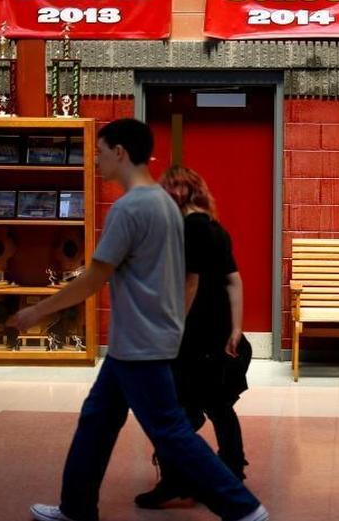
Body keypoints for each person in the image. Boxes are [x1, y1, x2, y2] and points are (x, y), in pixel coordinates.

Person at [12, 118, 268, 521]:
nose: (95, 161)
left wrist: (37, 311)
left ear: (120, 152)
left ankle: (244, 509)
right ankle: (76, 507)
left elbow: (96, 277)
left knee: (172, 431)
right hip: (140, 340)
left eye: (98, 152)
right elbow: (182, 276)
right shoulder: (165, 205)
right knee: (97, 420)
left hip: (140, 345)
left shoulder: (129, 208)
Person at [135, 165, 253, 509]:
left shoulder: (189, 228)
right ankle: (232, 469)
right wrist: (236, 328)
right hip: (216, 329)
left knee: (176, 409)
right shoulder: (216, 228)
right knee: (219, 405)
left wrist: (172, 330)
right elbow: (234, 280)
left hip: (194, 331)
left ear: (177, 193)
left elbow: (191, 282)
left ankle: (177, 477)